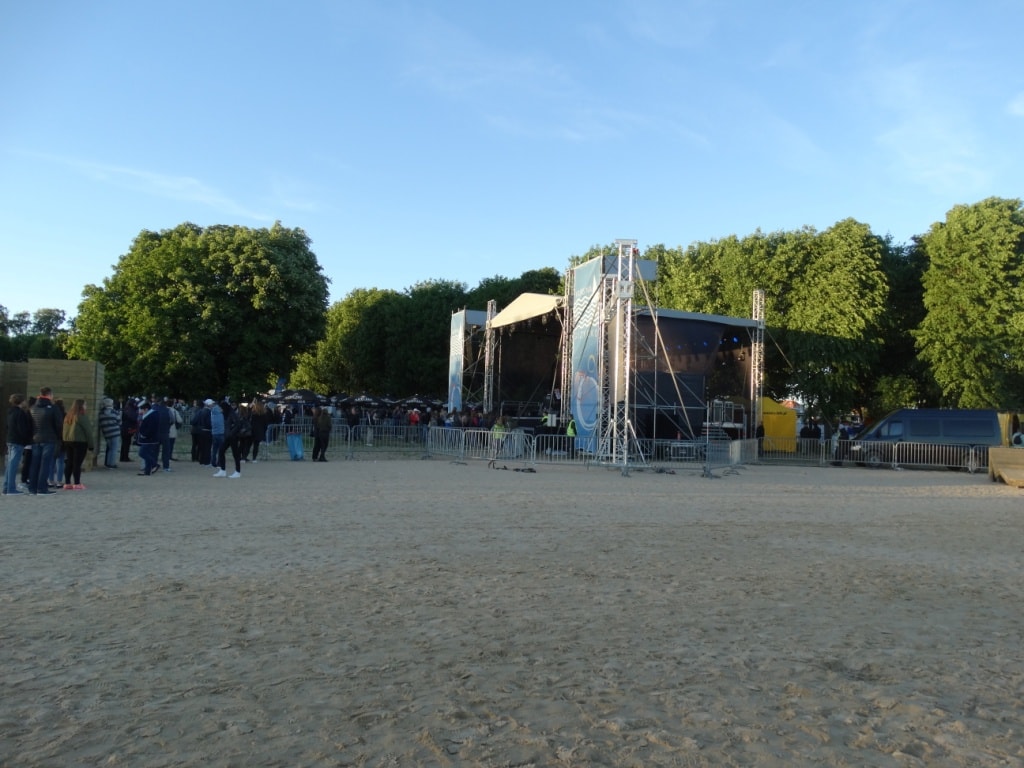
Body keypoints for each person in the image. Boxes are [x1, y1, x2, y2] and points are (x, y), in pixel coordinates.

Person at [27, 387, 63, 495]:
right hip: (49, 438)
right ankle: (42, 488)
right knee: (45, 464)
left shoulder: (33, 407)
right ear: (49, 395)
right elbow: (58, 424)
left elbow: (29, 424)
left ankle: (32, 487)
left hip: (35, 438)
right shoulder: (53, 408)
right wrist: (58, 436)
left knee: (35, 464)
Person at [62, 398, 95, 489]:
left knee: (69, 462)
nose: (86, 406)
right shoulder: (81, 416)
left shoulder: (68, 416)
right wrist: (91, 445)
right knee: (77, 463)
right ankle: (77, 483)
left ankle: (67, 483)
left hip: (68, 441)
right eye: (85, 405)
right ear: (81, 406)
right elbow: (88, 431)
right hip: (80, 442)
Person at [4, 394, 32, 496]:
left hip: (10, 439)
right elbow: (22, 429)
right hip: (17, 441)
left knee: (10, 465)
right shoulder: (20, 413)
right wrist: (27, 440)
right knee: (13, 465)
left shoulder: (10, 412)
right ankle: (11, 488)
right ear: (21, 401)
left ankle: (7, 487)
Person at [213, 400, 242, 478]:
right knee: (221, 451)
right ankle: (223, 470)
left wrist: (231, 433)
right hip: (228, 436)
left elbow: (238, 424)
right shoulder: (226, 414)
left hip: (233, 437)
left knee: (235, 454)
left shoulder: (231, 414)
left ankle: (237, 471)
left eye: (221, 408)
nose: (220, 409)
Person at [136, 401, 159, 476]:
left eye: (141, 409)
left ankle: (154, 464)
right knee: (147, 453)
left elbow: (151, 428)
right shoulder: (150, 414)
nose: (140, 411)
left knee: (142, 453)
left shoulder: (152, 415)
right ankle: (147, 471)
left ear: (146, 409)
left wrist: (144, 435)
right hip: (148, 438)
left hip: (150, 439)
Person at [97, 397, 121, 469]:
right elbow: (119, 422)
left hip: (106, 433)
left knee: (110, 448)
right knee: (114, 449)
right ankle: (112, 464)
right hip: (115, 432)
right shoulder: (115, 412)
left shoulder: (101, 413)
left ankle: (108, 463)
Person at [193, 399, 214, 465]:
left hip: (201, 430)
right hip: (207, 431)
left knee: (202, 446)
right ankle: (207, 461)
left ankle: (201, 460)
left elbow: (195, 420)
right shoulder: (209, 412)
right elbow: (209, 422)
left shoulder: (201, 411)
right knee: (207, 447)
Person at [120, 398, 138, 463]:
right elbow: (134, 418)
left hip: (124, 428)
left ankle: (122, 457)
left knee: (124, 443)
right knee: (127, 443)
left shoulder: (126, 409)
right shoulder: (131, 410)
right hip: (128, 428)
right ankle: (125, 457)